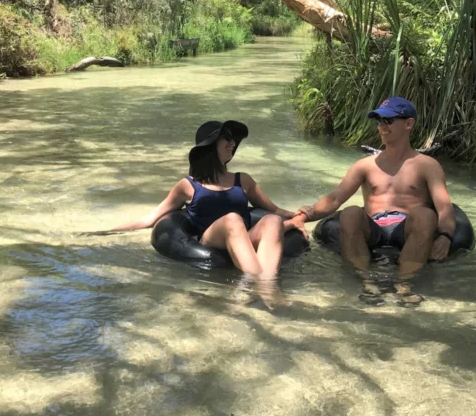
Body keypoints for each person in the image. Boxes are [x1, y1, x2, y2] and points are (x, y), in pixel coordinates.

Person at [285, 97, 456, 304]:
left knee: (425, 215)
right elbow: (336, 198)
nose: (382, 127)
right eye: (379, 121)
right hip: (374, 227)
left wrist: (445, 236)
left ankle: (404, 285)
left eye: (388, 121)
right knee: (350, 213)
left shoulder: (427, 165)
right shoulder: (365, 165)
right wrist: (304, 215)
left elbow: (444, 207)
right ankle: (367, 283)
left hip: (408, 228)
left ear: (408, 124)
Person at [114, 120, 298, 306]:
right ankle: (264, 290)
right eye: (226, 138)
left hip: (244, 237)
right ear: (210, 146)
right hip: (212, 239)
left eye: (233, 139)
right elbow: (151, 218)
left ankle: (267, 288)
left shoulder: (243, 180)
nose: (233, 143)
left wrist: (301, 217)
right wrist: (106, 232)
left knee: (273, 220)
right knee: (232, 220)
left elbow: (275, 210)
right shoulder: (188, 185)